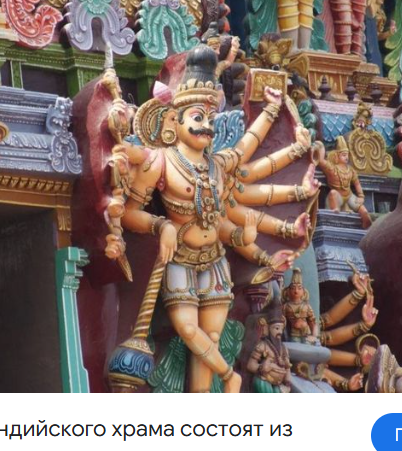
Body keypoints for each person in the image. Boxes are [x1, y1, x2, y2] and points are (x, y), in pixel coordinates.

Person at [106, 43, 319, 393]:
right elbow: (129, 212)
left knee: (212, 338)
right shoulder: (159, 162)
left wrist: (242, 237)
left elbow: (248, 146)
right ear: (174, 121)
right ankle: (229, 375)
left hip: (215, 260)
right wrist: (161, 225)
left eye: (209, 119)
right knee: (189, 330)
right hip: (180, 259)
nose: (206, 127)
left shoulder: (217, 165)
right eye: (197, 118)